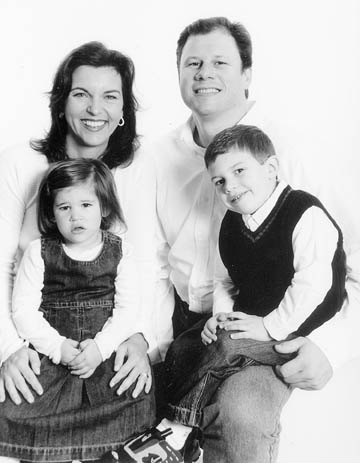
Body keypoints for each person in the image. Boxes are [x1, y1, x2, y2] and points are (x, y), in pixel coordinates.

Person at [149, 16, 360, 463]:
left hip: (272, 327)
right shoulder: (158, 157)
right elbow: (151, 261)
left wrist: (333, 347)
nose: (204, 72)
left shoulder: (294, 156)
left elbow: (347, 268)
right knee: (132, 401)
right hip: (191, 324)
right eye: (193, 63)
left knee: (240, 416)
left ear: (247, 74)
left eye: (220, 61)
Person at [0, 41, 157, 436]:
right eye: (81, 94)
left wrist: (142, 338)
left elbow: (148, 268)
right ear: (60, 102)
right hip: (35, 341)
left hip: (108, 344)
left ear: (124, 111)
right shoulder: (21, 163)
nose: (94, 109)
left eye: (110, 97)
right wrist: (7, 349)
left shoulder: (135, 171)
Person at [165, 124, 346, 439]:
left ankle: (176, 429)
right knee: (184, 347)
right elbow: (225, 280)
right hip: (254, 316)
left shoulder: (304, 212)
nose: (229, 187)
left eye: (239, 171)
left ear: (271, 168)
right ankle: (180, 426)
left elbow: (312, 285)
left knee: (226, 344)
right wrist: (222, 314)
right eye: (219, 181)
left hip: (297, 326)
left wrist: (270, 327)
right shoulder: (232, 224)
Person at [0, 158, 155, 462]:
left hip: (102, 355)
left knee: (133, 400)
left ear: (105, 208)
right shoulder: (38, 252)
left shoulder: (121, 250)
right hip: (55, 355)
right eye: (64, 208)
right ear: (51, 213)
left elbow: (128, 309)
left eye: (86, 204)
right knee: (17, 406)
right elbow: (24, 311)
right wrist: (58, 348)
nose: (75, 216)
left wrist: (101, 347)